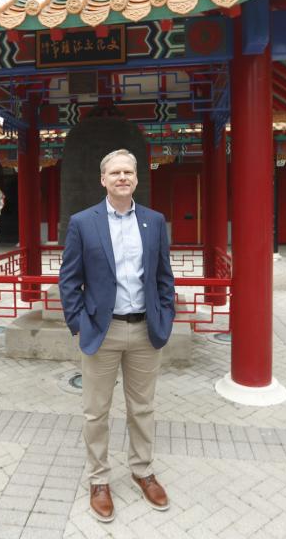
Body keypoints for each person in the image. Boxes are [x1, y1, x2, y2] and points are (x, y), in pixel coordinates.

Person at [58, 148, 176, 523]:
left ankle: (142, 471)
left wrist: (165, 316)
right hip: (101, 331)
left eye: (128, 172)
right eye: (115, 173)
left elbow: (164, 277)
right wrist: (79, 323)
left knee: (143, 408)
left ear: (136, 179)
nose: (122, 177)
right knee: (96, 412)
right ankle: (99, 479)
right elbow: (69, 279)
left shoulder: (154, 221)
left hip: (145, 330)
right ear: (103, 180)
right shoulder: (83, 222)